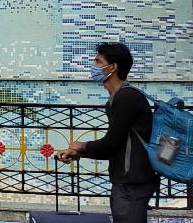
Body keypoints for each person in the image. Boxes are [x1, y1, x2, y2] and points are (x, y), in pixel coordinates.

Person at [56, 43, 158, 223]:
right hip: (128, 181)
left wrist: (81, 146)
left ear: (112, 67)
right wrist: (79, 152)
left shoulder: (126, 98)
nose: (93, 66)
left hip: (132, 183)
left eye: (98, 61)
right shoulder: (119, 98)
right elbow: (116, 145)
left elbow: (112, 143)